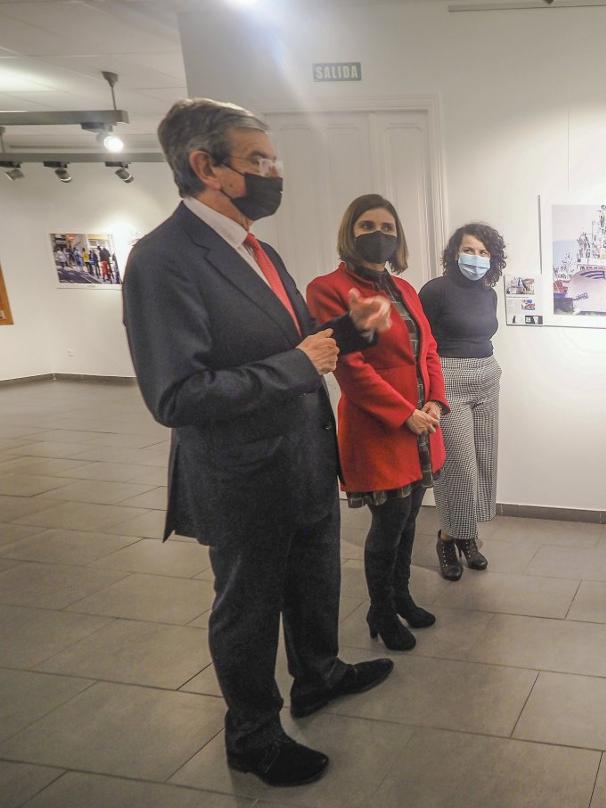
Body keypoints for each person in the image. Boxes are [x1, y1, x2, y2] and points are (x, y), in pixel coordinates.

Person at [122, 99, 397, 788]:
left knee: (314, 580)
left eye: (273, 159)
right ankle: (251, 733)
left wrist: (356, 331)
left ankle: (320, 674)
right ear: (204, 166)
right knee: (247, 610)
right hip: (241, 474)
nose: (275, 172)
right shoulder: (163, 260)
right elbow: (176, 396)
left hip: (304, 458)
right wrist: (298, 366)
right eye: (259, 161)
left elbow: (306, 346)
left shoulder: (258, 248)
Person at [307, 194, 448, 652]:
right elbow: (350, 366)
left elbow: (428, 350)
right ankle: (381, 610)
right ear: (351, 232)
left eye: (387, 226)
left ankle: (401, 597)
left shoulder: (405, 290)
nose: (379, 234)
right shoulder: (326, 287)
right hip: (378, 428)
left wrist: (435, 404)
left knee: (410, 521)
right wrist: (403, 414)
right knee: (388, 524)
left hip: (422, 426)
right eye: (367, 225)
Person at [419, 223, 504, 581]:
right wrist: (428, 393)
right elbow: (421, 345)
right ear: (455, 252)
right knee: (457, 467)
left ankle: (468, 535)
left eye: (484, 253)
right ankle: (446, 538)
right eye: (470, 250)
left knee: (484, 460)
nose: (476, 258)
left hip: (487, 375)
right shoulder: (435, 291)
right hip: (449, 379)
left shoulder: (489, 293)